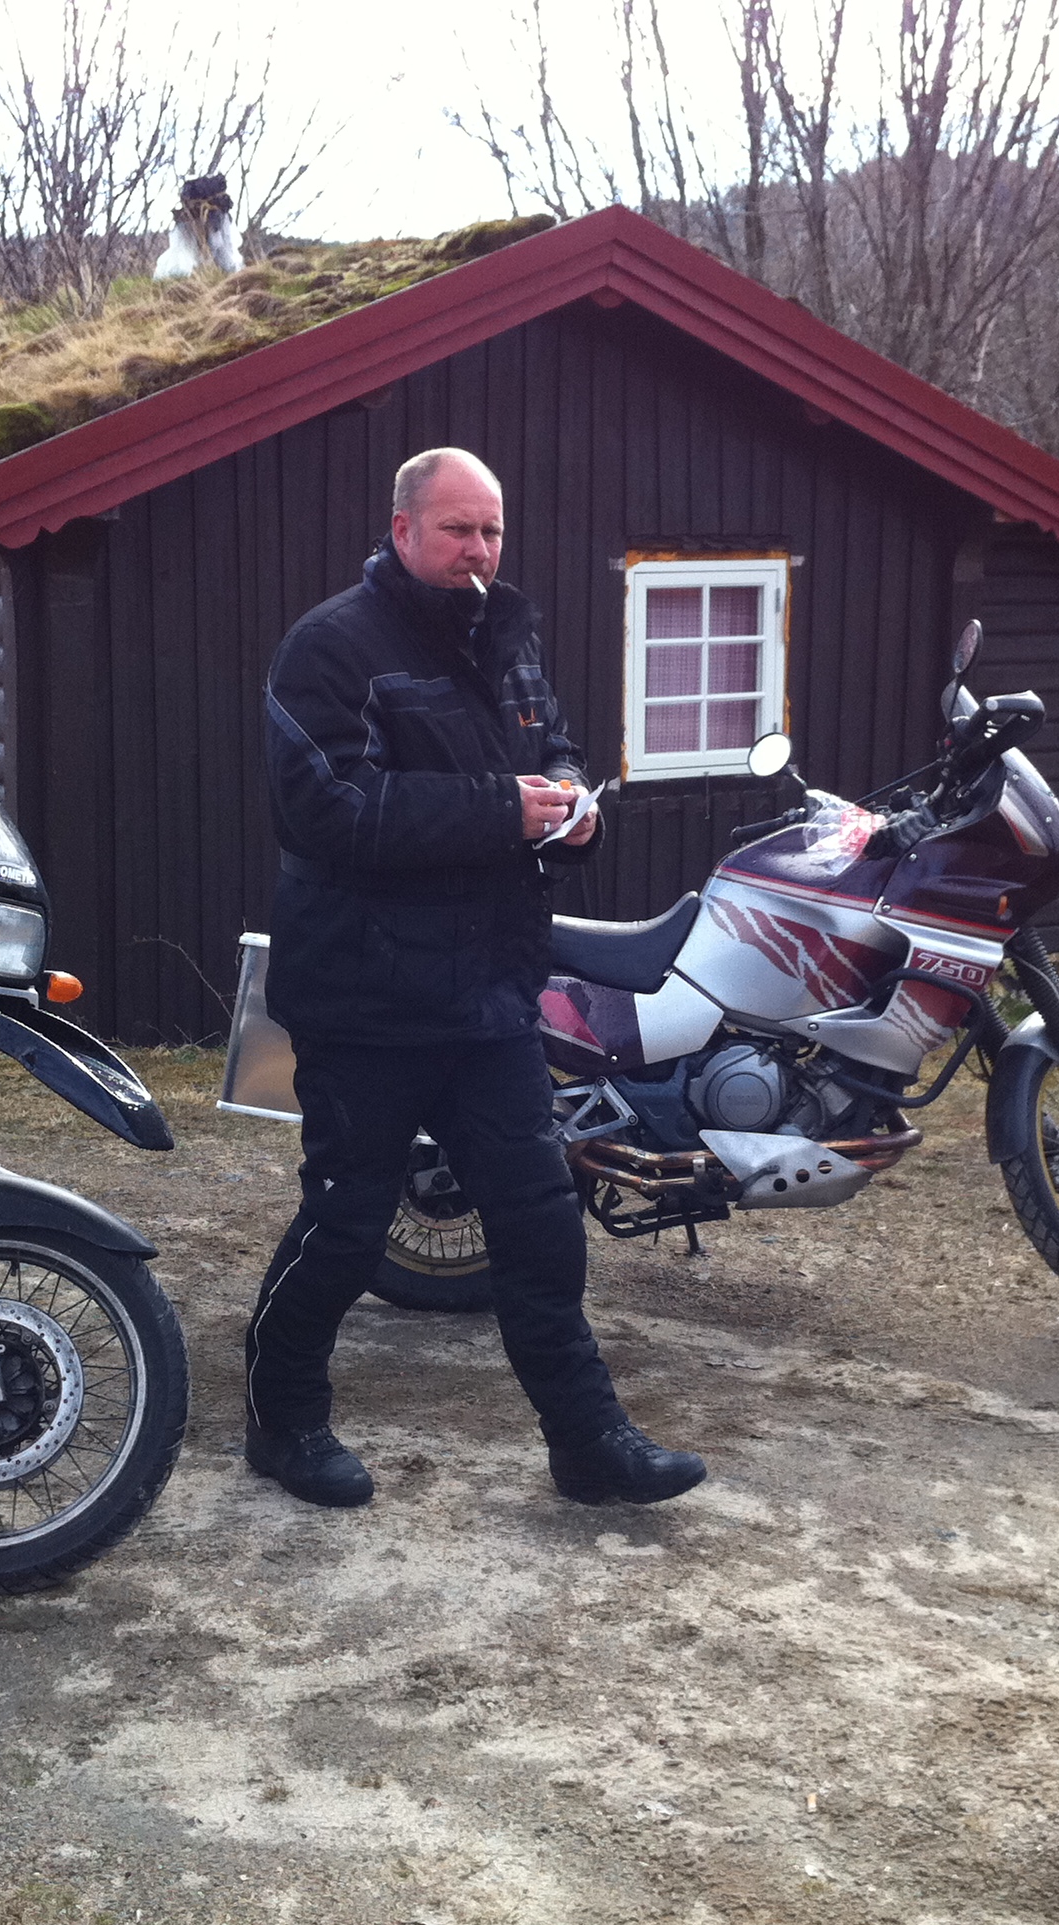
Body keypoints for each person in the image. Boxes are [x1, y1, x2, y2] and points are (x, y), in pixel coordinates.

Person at [246, 446, 707, 1511]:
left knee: (540, 1221)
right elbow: (326, 809)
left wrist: (574, 807)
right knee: (348, 1222)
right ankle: (283, 1419)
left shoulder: (509, 636)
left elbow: (558, 754)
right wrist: (506, 808)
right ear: (403, 529)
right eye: (458, 529)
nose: (479, 550)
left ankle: (588, 1442)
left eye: (492, 530)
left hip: (490, 991)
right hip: (365, 995)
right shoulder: (329, 647)